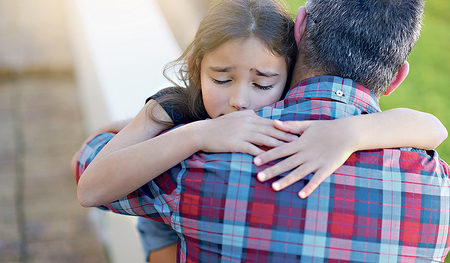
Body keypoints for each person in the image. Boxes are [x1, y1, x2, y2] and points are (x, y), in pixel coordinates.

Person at [72, 0, 450, 262]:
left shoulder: (196, 165)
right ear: (398, 77)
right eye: (222, 78)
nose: (240, 101)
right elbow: (434, 129)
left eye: (261, 81)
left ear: (298, 32)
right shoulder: (439, 190)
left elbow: (87, 168)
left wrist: (352, 133)